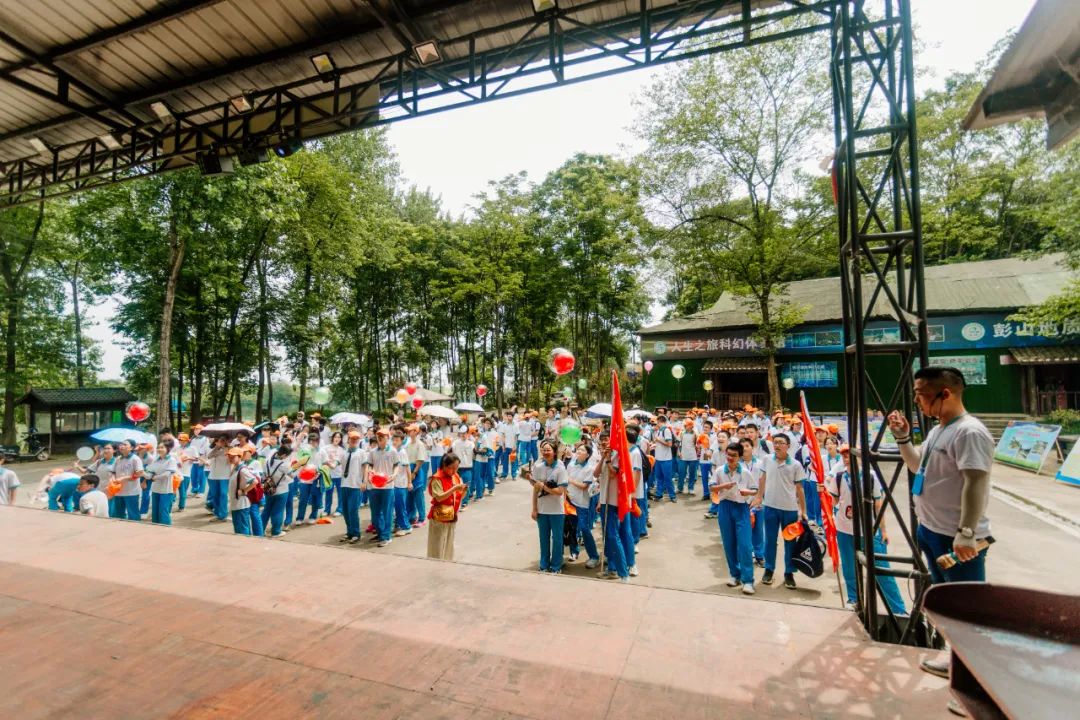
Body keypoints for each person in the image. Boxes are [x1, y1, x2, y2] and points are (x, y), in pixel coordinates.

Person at [887, 366, 993, 696]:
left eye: (921, 394)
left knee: (965, 606)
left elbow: (976, 481)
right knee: (946, 602)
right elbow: (918, 465)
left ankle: (975, 680)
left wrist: (966, 530)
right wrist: (903, 438)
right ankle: (956, 660)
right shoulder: (938, 431)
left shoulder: (969, 432)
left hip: (955, 536)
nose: (916, 401)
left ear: (944, 393)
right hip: (932, 529)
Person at [826, 445, 906, 615]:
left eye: (850, 455)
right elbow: (833, 500)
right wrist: (833, 517)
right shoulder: (839, 477)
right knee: (849, 567)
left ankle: (898, 609)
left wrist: (883, 530)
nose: (847, 458)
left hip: (869, 531)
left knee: (882, 571)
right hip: (845, 529)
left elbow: (878, 505)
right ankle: (854, 599)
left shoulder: (870, 477)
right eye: (844, 455)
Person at [753, 432, 808, 589]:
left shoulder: (796, 464)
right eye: (775, 442)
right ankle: (769, 570)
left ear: (788, 446)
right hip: (770, 506)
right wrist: (758, 496)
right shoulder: (767, 459)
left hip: (789, 509)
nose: (777, 445)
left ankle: (789, 573)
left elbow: (800, 489)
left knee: (790, 542)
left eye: (781, 443)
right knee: (770, 540)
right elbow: (762, 479)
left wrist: (803, 510)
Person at [710, 442, 758, 594]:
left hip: (741, 508)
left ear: (740, 456)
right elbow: (712, 487)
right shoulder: (719, 471)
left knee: (745, 545)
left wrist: (746, 492)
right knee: (728, 543)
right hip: (725, 507)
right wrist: (724, 486)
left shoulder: (745, 472)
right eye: (728, 454)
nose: (730, 458)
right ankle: (734, 574)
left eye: (734, 455)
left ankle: (748, 580)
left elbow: (754, 490)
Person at [595, 431, 635, 583]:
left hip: (615, 502)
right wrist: (603, 458)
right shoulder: (604, 455)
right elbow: (596, 474)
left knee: (613, 535)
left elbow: (613, 474)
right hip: (604, 501)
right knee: (606, 537)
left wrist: (609, 460)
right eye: (602, 440)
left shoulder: (619, 456)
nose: (605, 443)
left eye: (607, 440)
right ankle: (611, 568)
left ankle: (623, 572)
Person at [528, 439, 568, 574]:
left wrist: (544, 486)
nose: (545, 452)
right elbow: (535, 488)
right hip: (542, 509)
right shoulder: (538, 467)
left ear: (555, 451)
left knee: (557, 540)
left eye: (548, 450)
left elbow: (559, 492)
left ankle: (556, 566)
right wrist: (534, 508)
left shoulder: (561, 468)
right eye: (543, 450)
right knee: (543, 539)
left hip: (557, 511)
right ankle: (544, 564)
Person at [427, 453, 468, 560]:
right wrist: (454, 489)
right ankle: (434, 567)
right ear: (444, 465)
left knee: (449, 545)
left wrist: (463, 491)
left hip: (451, 516)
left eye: (456, 468)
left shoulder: (456, 477)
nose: (454, 471)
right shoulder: (437, 478)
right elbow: (439, 497)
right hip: (439, 517)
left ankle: (446, 566)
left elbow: (458, 497)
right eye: (452, 468)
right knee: (436, 546)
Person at [566, 443, 600, 568]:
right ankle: (574, 552)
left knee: (584, 529)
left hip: (582, 503)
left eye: (582, 450)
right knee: (571, 528)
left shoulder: (589, 468)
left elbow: (584, 486)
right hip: (569, 500)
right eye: (578, 449)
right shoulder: (571, 465)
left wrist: (570, 480)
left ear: (587, 455)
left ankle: (594, 556)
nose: (579, 451)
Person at [365, 429, 398, 547]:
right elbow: (369, 465)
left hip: (388, 486)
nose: (379, 438)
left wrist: (394, 475)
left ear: (387, 438)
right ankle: (380, 533)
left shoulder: (393, 451)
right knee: (375, 512)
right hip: (375, 486)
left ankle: (386, 536)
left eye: (382, 436)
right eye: (378, 436)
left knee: (387, 512)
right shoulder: (373, 452)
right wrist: (370, 472)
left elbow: (396, 466)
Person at [337, 431, 366, 543]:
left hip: (356, 485)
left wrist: (364, 481)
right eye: (352, 439)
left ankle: (356, 533)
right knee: (345, 510)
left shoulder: (362, 453)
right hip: (345, 484)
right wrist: (328, 464)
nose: (354, 441)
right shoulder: (344, 453)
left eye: (356, 439)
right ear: (348, 440)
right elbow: (336, 463)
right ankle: (349, 532)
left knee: (353, 510)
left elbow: (365, 467)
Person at [261, 446, 292, 538]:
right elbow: (293, 475)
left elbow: (263, 476)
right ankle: (276, 531)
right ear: (284, 455)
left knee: (266, 510)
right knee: (278, 511)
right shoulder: (283, 465)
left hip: (269, 490)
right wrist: (299, 467)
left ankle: (260, 529)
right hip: (281, 490)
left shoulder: (267, 462)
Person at [146, 441, 179, 525]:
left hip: (166, 490)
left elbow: (167, 474)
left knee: (163, 511)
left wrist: (155, 477)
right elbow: (150, 473)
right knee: (155, 511)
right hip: (155, 489)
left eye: (162, 447)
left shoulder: (171, 460)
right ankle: (155, 528)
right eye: (158, 447)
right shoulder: (156, 460)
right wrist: (143, 474)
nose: (159, 449)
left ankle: (166, 530)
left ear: (167, 449)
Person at [225, 447, 256, 535]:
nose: (230, 458)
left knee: (243, 529)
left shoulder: (243, 470)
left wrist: (244, 491)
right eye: (229, 456)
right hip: (236, 503)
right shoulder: (235, 468)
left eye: (233, 457)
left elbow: (254, 482)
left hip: (241, 504)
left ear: (239, 457)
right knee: (239, 529)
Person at [111, 440, 144, 520]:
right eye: (121, 444)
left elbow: (139, 473)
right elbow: (113, 472)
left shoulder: (135, 459)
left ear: (131, 448)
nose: (121, 446)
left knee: (133, 515)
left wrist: (124, 478)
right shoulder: (118, 459)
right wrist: (112, 479)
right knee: (118, 515)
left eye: (125, 445)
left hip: (131, 492)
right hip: (118, 491)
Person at [405, 423, 428, 527]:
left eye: (411, 430)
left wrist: (415, 472)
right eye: (409, 431)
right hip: (409, 469)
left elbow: (420, 460)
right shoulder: (408, 444)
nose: (409, 432)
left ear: (416, 431)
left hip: (416, 469)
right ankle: (412, 517)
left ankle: (422, 518)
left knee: (418, 495)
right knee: (409, 495)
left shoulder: (420, 444)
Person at [391, 431, 413, 537]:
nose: (395, 442)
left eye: (397, 440)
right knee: (396, 506)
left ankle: (406, 527)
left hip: (401, 483)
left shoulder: (402, 452)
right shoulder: (393, 451)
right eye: (393, 440)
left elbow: (408, 468)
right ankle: (398, 525)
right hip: (394, 483)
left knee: (400, 506)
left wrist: (409, 482)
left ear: (402, 441)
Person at [205, 436, 232, 522]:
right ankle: (217, 514)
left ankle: (223, 515)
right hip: (213, 475)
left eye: (223, 440)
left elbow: (231, 461)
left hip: (224, 476)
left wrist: (226, 449)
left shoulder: (230, 450)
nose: (221, 442)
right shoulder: (214, 449)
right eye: (219, 440)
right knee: (215, 495)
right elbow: (209, 456)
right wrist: (217, 447)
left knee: (223, 494)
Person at [451, 425, 477, 508]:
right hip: (457, 468)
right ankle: (457, 500)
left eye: (465, 433)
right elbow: (450, 452)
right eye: (461, 433)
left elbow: (475, 452)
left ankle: (464, 501)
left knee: (466, 485)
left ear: (468, 433)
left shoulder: (471, 443)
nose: (463, 435)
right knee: (456, 485)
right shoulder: (455, 443)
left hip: (467, 467)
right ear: (459, 434)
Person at [651, 415, 675, 502]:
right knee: (659, 478)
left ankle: (672, 496)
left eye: (657, 422)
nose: (656, 424)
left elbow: (669, 444)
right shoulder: (659, 431)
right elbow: (659, 443)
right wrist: (654, 444)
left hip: (666, 459)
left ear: (660, 421)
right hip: (658, 458)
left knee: (667, 478)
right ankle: (659, 494)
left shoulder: (666, 430)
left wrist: (658, 440)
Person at [323, 431, 345, 517]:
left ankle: (340, 509)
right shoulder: (326, 448)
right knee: (328, 492)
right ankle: (327, 510)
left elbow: (341, 462)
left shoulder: (342, 450)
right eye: (336, 437)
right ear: (332, 438)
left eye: (339, 437)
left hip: (339, 474)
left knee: (340, 493)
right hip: (328, 474)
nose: (337, 439)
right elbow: (322, 459)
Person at [677, 419, 699, 495]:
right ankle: (680, 488)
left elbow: (698, 445)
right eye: (686, 425)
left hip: (693, 456)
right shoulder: (681, 433)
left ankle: (691, 488)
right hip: (683, 456)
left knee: (692, 473)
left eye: (689, 425)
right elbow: (678, 444)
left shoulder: (695, 434)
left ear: (692, 426)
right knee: (681, 473)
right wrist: (678, 452)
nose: (688, 426)